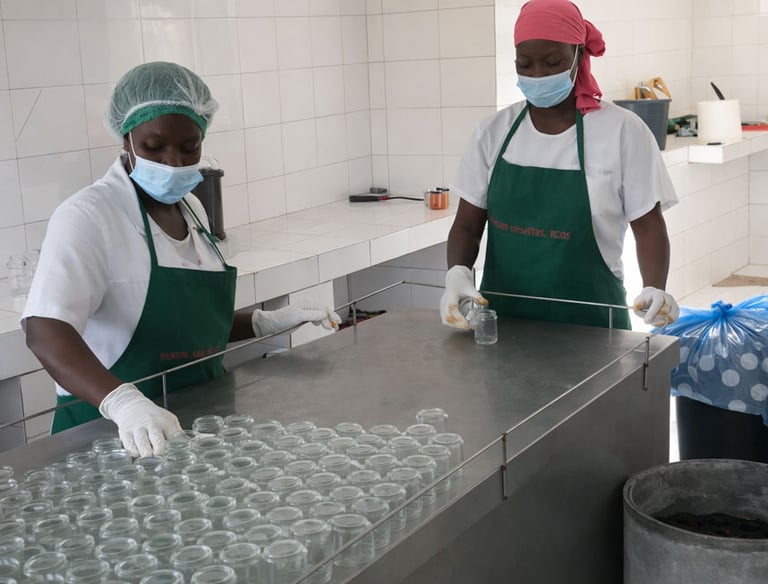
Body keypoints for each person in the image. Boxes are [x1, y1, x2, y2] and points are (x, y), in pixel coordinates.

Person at [22, 62, 341, 458]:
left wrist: (264, 322)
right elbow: (44, 330)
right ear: (126, 139)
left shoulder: (191, 208)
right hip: (110, 439)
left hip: (197, 428)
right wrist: (123, 403)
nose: (173, 162)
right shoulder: (89, 215)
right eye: (154, 147)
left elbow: (184, 328)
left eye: (189, 147)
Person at [439, 0, 680, 332]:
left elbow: (649, 225)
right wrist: (457, 274)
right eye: (525, 64)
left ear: (579, 56)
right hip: (504, 325)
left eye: (553, 63)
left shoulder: (622, 131)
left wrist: (655, 287)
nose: (538, 74)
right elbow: (467, 225)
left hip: (593, 327)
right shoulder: (493, 132)